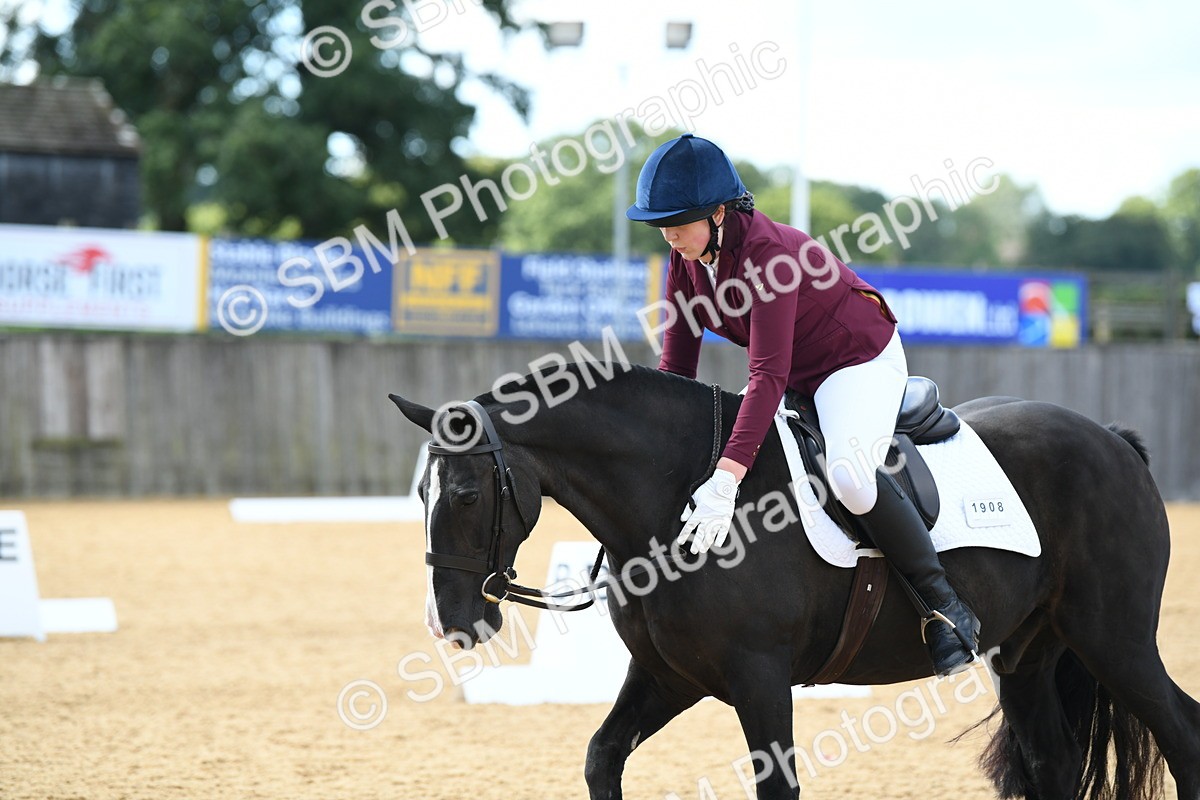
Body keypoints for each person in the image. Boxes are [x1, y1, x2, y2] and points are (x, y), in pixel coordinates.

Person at [627, 133, 979, 676]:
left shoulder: (769, 255)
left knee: (849, 476)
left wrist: (725, 481)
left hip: (855, 361)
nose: (669, 235)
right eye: (662, 226)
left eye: (679, 222)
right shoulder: (685, 260)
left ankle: (944, 606)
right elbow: (676, 371)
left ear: (719, 213)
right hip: (796, 371)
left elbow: (769, 375)